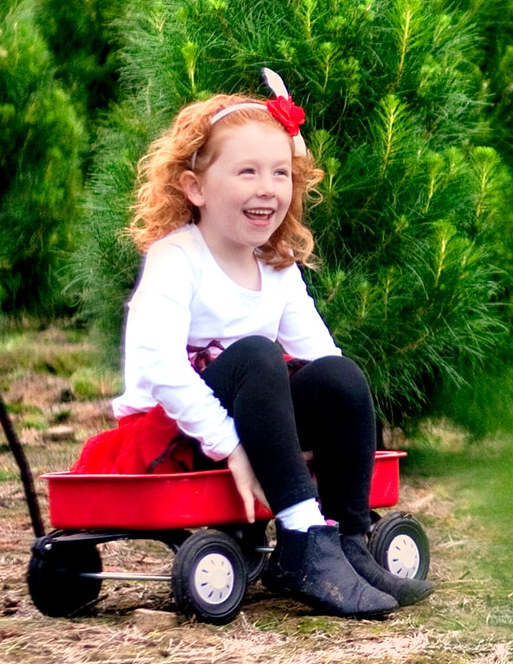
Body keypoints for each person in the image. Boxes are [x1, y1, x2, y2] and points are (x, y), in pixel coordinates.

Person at [108, 69, 431, 617]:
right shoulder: (176, 258)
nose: (267, 188)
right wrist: (231, 445)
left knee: (339, 376)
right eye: (248, 172)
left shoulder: (275, 268)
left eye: (280, 173)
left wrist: (323, 424)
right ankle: (302, 539)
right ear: (196, 187)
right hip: (178, 429)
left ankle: (346, 541)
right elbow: (162, 365)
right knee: (258, 354)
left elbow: (321, 360)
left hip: (253, 417)